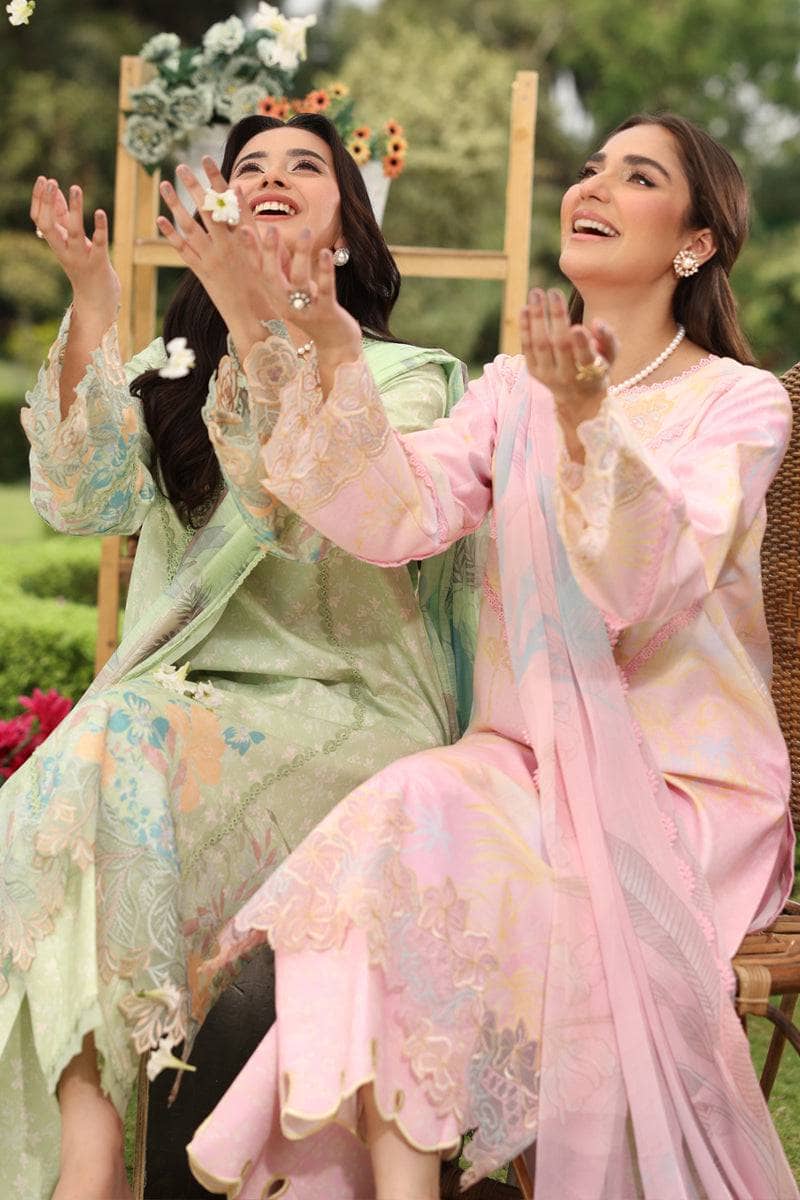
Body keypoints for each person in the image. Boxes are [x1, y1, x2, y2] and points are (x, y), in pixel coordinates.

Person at [186, 113, 798, 1200]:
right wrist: (330, 347)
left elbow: (640, 591)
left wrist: (586, 422)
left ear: (695, 241)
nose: (591, 187)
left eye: (636, 175)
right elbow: (390, 515)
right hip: (513, 766)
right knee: (398, 817)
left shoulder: (736, 404)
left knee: (420, 859)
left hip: (670, 790)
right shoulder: (509, 386)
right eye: (588, 168)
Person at [0, 113, 477, 1200]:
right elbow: (77, 499)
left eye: (303, 167)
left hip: (353, 710)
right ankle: (92, 1157)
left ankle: (96, 1168)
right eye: (248, 166)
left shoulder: (410, 380)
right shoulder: (175, 375)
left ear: (348, 233)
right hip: (181, 718)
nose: (267, 177)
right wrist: (92, 302)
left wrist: (263, 311)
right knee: (75, 784)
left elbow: (312, 498)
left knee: (101, 748)